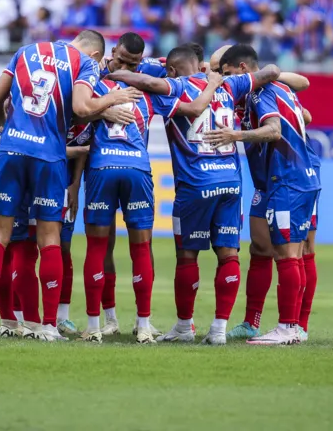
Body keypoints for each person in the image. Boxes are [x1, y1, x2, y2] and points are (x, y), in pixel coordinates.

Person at [0, 31, 141, 341]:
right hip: (49, 156)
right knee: (49, 238)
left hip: (12, 150)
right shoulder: (83, 63)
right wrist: (114, 97)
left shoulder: (26, 51)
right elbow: (84, 108)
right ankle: (48, 326)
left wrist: (0, 123)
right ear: (96, 56)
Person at [108, 44, 279, 345]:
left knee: (187, 256)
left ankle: (185, 326)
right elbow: (270, 72)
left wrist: (114, 70)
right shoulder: (230, 83)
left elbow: (147, 82)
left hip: (195, 184)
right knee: (229, 255)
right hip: (230, 183)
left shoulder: (175, 87)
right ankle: (219, 330)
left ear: (173, 70)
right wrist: (218, 79)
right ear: (200, 65)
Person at [80, 33, 222, 344]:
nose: (126, 66)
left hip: (102, 168)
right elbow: (191, 108)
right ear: (114, 51)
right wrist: (210, 83)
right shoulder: (150, 92)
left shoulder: (94, 84)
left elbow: (78, 108)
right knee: (141, 248)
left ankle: (95, 325)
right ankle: (143, 325)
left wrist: (100, 108)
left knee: (97, 247)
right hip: (137, 170)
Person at [210, 44, 319, 346]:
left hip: (290, 176)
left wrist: (239, 135)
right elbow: (304, 115)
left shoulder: (263, 90)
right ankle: (252, 322)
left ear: (244, 70)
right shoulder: (245, 96)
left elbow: (278, 127)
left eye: (227, 72)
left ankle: (295, 325)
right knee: (260, 246)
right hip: (268, 180)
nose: (223, 78)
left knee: (296, 250)